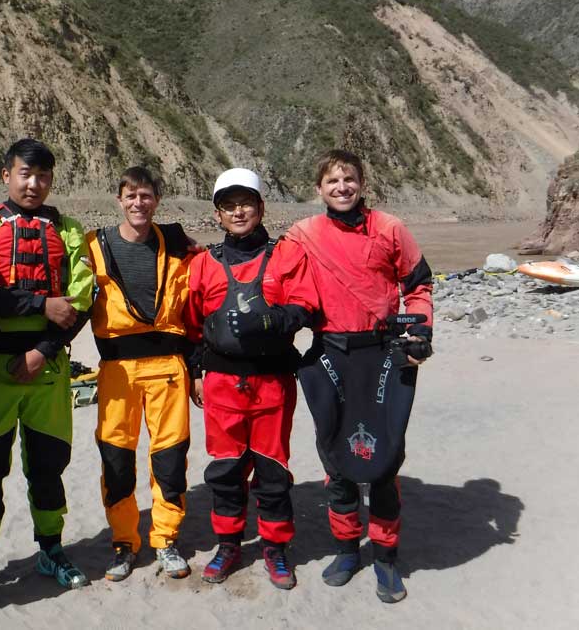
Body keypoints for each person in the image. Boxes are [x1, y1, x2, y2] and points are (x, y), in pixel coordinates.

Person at [287, 149, 433, 604]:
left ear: (362, 183)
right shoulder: (303, 234)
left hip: (382, 353)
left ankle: (386, 556)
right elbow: (272, 276)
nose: (342, 187)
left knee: (385, 461)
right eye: (332, 180)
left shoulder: (390, 228)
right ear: (319, 189)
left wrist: (420, 333)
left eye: (349, 178)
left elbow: (418, 285)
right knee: (336, 458)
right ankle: (348, 548)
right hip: (330, 352)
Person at [0, 138, 94, 591]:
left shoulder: (69, 230)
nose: (33, 184)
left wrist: (43, 350)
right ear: (6, 175)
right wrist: (39, 303)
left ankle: (51, 551)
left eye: (43, 176)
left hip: (47, 370)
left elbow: (82, 299)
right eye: (25, 174)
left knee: (48, 466)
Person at [184, 168, 318, 590]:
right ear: (218, 215)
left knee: (272, 470)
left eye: (246, 203)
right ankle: (228, 544)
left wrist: (271, 320)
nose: (238, 212)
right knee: (226, 470)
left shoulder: (286, 256)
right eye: (229, 206)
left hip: (272, 382)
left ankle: (275, 547)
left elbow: (306, 306)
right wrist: (196, 371)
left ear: (261, 208)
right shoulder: (203, 263)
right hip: (222, 384)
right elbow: (191, 325)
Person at [85, 166, 196, 582]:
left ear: (157, 200)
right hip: (117, 369)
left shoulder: (178, 244)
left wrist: (199, 366)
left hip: (168, 368)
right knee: (116, 457)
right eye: (131, 196)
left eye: (146, 195)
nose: (138, 203)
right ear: (119, 200)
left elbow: (201, 297)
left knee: (170, 457)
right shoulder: (93, 245)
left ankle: (165, 539)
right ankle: (124, 542)